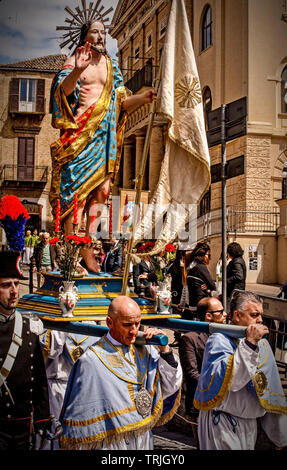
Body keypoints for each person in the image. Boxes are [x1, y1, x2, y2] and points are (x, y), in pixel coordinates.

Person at [49, 19, 156, 272]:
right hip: (80, 136)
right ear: (85, 36)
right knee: (75, 197)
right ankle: (71, 255)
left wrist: (142, 97)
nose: (100, 36)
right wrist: (78, 69)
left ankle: (90, 250)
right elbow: (62, 93)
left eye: (103, 32)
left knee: (102, 194)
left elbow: (121, 102)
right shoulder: (75, 60)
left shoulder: (112, 66)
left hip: (103, 141)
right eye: (95, 32)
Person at [59, 296, 182, 450]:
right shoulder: (91, 360)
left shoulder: (147, 349)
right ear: (109, 322)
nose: (134, 331)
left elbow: (169, 385)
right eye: (127, 325)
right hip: (111, 441)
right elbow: (82, 416)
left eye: (138, 324)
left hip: (143, 437)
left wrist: (165, 350)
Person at [194, 290, 287, 450]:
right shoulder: (219, 339)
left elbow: (269, 391)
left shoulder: (262, 345)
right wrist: (249, 344)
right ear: (237, 315)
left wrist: (281, 437)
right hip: (221, 423)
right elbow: (231, 380)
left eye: (261, 315)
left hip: (249, 424)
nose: (260, 320)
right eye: (254, 315)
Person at [0, 250, 50, 450]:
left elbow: (39, 378)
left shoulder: (28, 326)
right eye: (5, 286)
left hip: (22, 426)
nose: (14, 291)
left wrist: (41, 418)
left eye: (15, 284)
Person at [39, 328, 98, 449]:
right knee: (53, 433)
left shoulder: (91, 326)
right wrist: (63, 325)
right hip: (54, 386)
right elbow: (50, 349)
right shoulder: (50, 323)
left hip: (82, 386)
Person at [186, 243, 216, 312]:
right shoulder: (201, 267)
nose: (210, 258)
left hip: (192, 304)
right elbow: (213, 286)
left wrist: (207, 286)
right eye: (209, 255)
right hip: (201, 304)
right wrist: (208, 287)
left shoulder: (191, 266)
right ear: (203, 256)